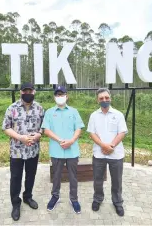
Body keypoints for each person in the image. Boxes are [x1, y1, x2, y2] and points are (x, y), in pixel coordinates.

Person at [2, 82, 44, 221]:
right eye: (25, 91)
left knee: (31, 175)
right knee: (15, 178)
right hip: (17, 151)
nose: (27, 93)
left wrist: (39, 134)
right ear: (21, 92)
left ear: (34, 92)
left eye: (30, 91)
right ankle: (15, 204)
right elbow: (6, 127)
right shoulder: (12, 108)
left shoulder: (39, 108)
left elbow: (44, 127)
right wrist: (20, 137)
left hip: (33, 150)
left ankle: (28, 197)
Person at [41, 85, 85, 214]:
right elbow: (46, 130)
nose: (60, 97)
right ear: (54, 97)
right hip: (56, 150)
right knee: (56, 176)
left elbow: (79, 128)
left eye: (62, 94)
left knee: (73, 176)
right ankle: (55, 196)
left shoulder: (74, 111)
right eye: (57, 95)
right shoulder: (49, 112)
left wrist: (71, 141)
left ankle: (74, 199)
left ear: (67, 96)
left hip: (72, 151)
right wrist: (60, 140)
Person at [86, 88, 128, 216]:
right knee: (97, 180)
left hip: (116, 154)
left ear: (110, 98)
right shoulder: (94, 115)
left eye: (106, 97)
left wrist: (111, 146)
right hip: (99, 154)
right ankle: (97, 199)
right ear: (97, 100)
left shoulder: (118, 114)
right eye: (101, 98)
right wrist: (104, 146)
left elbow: (122, 132)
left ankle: (117, 202)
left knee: (117, 181)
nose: (104, 100)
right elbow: (92, 133)